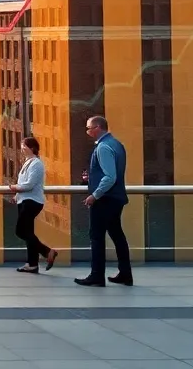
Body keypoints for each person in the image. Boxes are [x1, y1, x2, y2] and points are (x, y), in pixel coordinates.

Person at [76, 115, 133, 287]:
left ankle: (97, 276)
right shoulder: (117, 144)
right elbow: (110, 172)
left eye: (89, 128)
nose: (87, 132)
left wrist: (95, 195)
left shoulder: (103, 147)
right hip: (116, 198)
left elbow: (109, 177)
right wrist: (90, 178)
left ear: (98, 127)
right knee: (117, 235)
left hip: (105, 200)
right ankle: (125, 274)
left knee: (97, 237)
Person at [8, 136, 57, 274]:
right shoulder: (27, 162)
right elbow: (24, 182)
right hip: (25, 201)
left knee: (21, 231)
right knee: (28, 232)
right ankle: (32, 264)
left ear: (32, 148)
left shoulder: (36, 164)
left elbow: (29, 185)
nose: (22, 148)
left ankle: (47, 252)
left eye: (24, 145)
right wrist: (16, 195)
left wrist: (14, 188)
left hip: (32, 202)